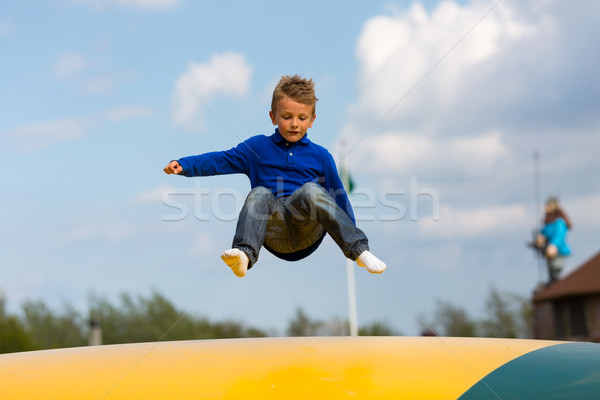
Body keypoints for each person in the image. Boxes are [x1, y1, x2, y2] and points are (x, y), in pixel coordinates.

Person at [163, 75, 387, 277]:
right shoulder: (257, 147)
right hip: (272, 231)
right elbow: (220, 160)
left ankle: (360, 251)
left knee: (311, 191)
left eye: (301, 118)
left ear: (312, 120)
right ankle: (244, 254)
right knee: (259, 193)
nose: (294, 124)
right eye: (287, 117)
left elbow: (339, 199)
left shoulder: (321, 156)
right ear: (273, 116)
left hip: (306, 230)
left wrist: (354, 238)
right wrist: (184, 165)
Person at [535, 197, 571, 283]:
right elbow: (543, 234)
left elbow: (560, 236)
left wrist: (553, 245)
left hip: (557, 252)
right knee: (551, 276)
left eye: (548, 206)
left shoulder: (559, 222)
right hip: (548, 253)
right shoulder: (547, 223)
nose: (545, 208)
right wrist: (540, 239)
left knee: (556, 273)